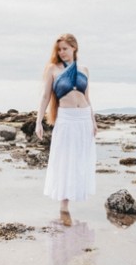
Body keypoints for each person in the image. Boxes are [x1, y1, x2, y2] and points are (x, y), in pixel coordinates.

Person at [35, 33, 98, 220]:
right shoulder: (52, 69)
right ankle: (63, 206)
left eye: (65, 48)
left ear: (74, 48)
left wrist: (93, 121)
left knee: (80, 160)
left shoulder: (84, 69)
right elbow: (45, 96)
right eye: (59, 49)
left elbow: (87, 98)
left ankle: (73, 197)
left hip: (84, 118)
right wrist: (39, 121)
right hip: (66, 118)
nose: (62, 52)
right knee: (64, 159)